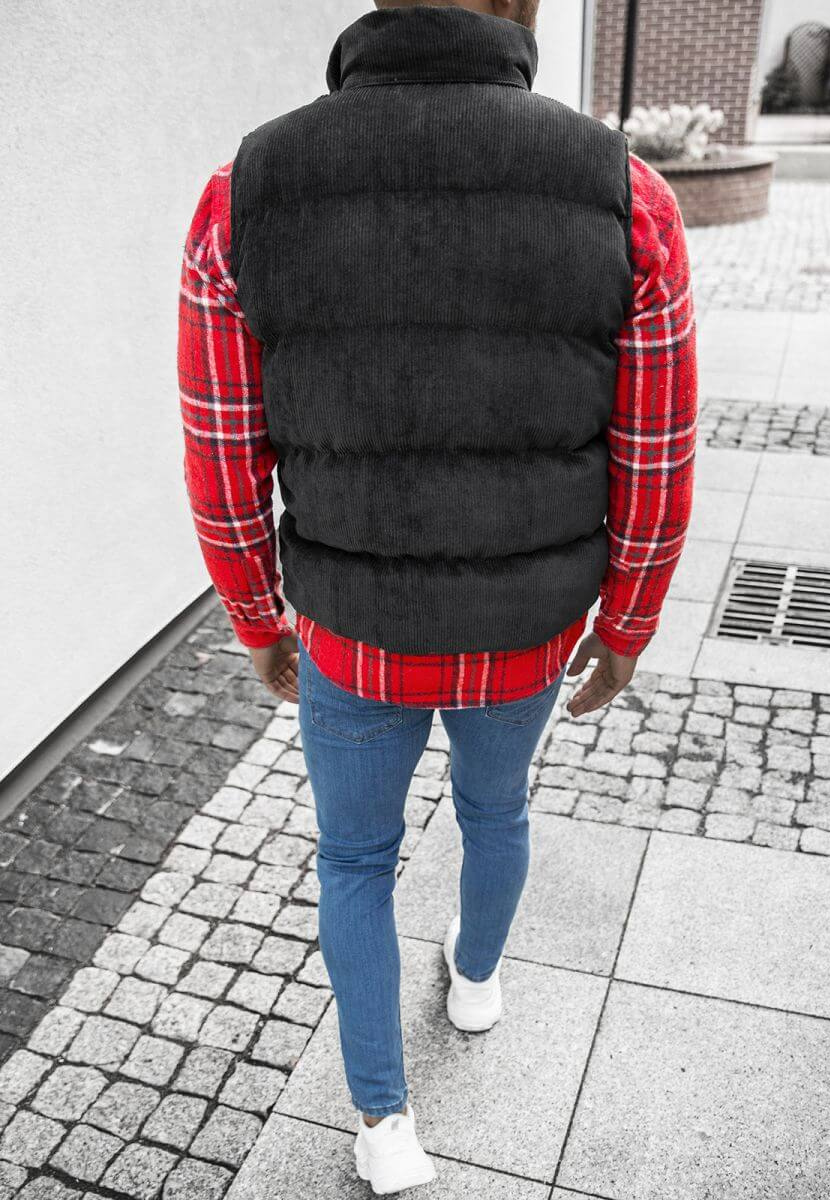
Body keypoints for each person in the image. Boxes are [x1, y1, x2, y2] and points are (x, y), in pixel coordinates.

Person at [178, 0, 696, 1192]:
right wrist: (626, 621)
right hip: (527, 627)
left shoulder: (242, 195)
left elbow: (221, 451)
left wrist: (257, 615)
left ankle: (384, 1125)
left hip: (353, 631)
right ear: (522, 11)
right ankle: (475, 980)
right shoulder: (625, 193)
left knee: (355, 861)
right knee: (496, 810)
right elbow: (657, 452)